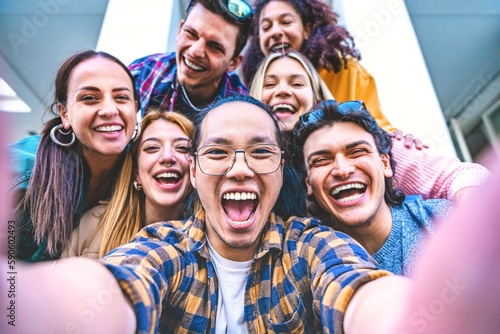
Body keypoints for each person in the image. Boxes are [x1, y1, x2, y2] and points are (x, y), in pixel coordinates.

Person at [5, 95, 500, 334]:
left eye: (260, 153)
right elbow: (114, 285)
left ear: (284, 173)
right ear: (194, 172)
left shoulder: (309, 244)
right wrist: (25, 303)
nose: (240, 169)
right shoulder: (166, 245)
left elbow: (359, 290)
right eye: (219, 153)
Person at [249, 51, 490, 203]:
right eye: (269, 84)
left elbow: (459, 176)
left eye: (296, 82)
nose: (282, 90)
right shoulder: (247, 164)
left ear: (317, 97)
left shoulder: (366, 141)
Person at [291, 100, 452, 276]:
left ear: (385, 164)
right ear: (308, 183)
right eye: (321, 160)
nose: (343, 170)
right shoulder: (307, 272)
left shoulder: (448, 221)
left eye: (357, 151)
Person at [8, 50, 140, 262]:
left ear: (134, 108)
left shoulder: (140, 171)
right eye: (89, 98)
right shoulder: (21, 172)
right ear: (64, 113)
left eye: (121, 97)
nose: (109, 110)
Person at [242, 0, 396, 132]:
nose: (275, 31)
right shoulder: (254, 86)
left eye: (286, 22)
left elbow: (379, 131)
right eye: (266, 27)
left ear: (307, 30)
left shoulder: (347, 72)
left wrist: (404, 145)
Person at [62, 111, 194, 259]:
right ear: (136, 173)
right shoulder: (91, 226)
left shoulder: (209, 243)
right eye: (152, 148)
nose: (168, 157)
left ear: (195, 170)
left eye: (182, 148)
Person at [129, 0, 253, 121]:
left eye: (214, 46)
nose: (195, 51)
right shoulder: (143, 73)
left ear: (234, 62)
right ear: (179, 30)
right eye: (191, 33)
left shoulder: (243, 113)